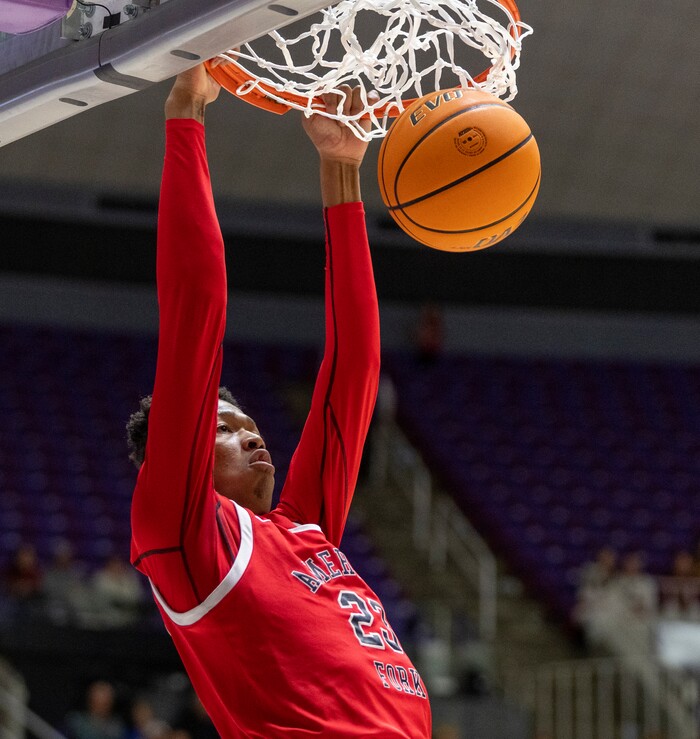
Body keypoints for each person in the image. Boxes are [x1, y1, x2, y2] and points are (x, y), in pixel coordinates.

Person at [127, 64, 431, 737]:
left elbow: (353, 367)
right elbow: (196, 305)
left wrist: (341, 167)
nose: (255, 435)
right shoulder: (186, 538)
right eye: (228, 429)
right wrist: (187, 116)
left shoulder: (302, 528)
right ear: (179, 456)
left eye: (252, 424)